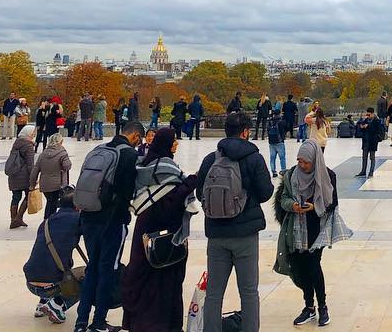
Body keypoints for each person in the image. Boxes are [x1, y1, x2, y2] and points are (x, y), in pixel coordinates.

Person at [196, 112, 274, 332]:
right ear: (245, 132)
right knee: (249, 292)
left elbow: (199, 191)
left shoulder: (211, 159)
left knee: (214, 293)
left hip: (216, 233)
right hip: (245, 235)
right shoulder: (253, 157)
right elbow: (266, 192)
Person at [122, 128, 198, 332]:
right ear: (166, 144)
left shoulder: (144, 166)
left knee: (142, 276)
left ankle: (138, 322)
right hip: (164, 234)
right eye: (173, 141)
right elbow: (170, 203)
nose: (176, 144)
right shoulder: (167, 169)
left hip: (144, 229)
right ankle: (160, 324)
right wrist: (191, 182)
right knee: (163, 281)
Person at [74, 120, 144, 332]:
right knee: (108, 271)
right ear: (135, 137)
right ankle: (98, 322)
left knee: (92, 268)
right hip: (112, 222)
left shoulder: (98, 149)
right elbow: (128, 192)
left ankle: (80, 322)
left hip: (89, 218)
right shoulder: (129, 155)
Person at [274, 140, 351, 327]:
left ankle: (322, 306)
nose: (302, 165)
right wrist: (292, 206)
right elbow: (282, 199)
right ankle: (309, 307)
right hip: (295, 230)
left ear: (314, 160)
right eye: (299, 161)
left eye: (305, 162)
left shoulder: (327, 175)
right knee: (300, 268)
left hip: (317, 229)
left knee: (313, 266)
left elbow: (332, 203)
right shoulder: (291, 175)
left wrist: (314, 207)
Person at [23, 187, 81, 325]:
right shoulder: (77, 220)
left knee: (49, 262)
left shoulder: (47, 221)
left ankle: (43, 303)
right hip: (50, 285)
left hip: (30, 282)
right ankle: (57, 304)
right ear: (77, 206)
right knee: (87, 277)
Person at [31, 133, 72, 219]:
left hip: (45, 184)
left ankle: (47, 221)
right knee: (53, 204)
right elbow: (67, 166)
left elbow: (35, 170)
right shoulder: (62, 153)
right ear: (60, 142)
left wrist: (32, 183)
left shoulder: (43, 154)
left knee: (50, 203)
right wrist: (65, 154)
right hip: (58, 185)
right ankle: (49, 222)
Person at [6, 125, 37, 228]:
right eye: (33, 132)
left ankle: (13, 220)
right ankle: (18, 218)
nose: (34, 134)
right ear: (28, 133)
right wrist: (33, 178)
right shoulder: (28, 146)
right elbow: (30, 164)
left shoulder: (17, 143)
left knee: (15, 197)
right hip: (24, 176)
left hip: (14, 174)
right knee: (29, 196)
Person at [355, 107, 384, 177]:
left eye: (369, 115)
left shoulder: (377, 121)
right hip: (365, 141)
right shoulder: (366, 120)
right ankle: (363, 171)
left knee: (372, 157)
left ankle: (371, 172)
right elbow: (359, 127)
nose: (367, 116)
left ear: (372, 114)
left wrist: (367, 126)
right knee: (364, 157)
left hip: (373, 141)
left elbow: (376, 131)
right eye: (367, 114)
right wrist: (362, 126)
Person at [267, 109, 288, 177]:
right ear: (279, 113)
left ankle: (273, 172)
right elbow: (286, 128)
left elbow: (268, 130)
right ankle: (283, 170)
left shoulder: (270, 121)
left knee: (272, 158)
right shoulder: (281, 121)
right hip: (279, 142)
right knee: (282, 157)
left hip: (271, 142)